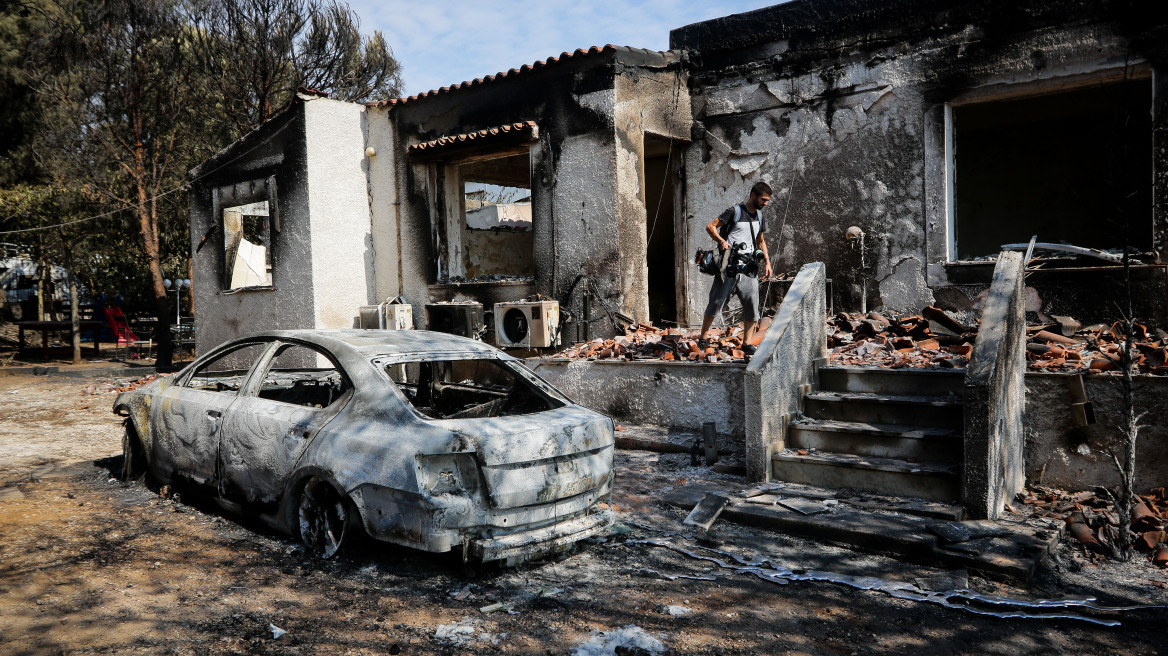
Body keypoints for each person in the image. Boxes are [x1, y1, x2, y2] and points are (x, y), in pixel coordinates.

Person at [697, 181, 773, 355]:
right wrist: (722, 242)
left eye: (768, 200)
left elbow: (760, 241)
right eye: (763, 199)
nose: (765, 203)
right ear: (753, 195)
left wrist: (767, 262)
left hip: (749, 269)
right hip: (729, 267)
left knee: (752, 307)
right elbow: (711, 227)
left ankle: (746, 344)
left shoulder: (760, 217)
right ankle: (702, 338)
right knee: (715, 304)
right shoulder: (735, 212)